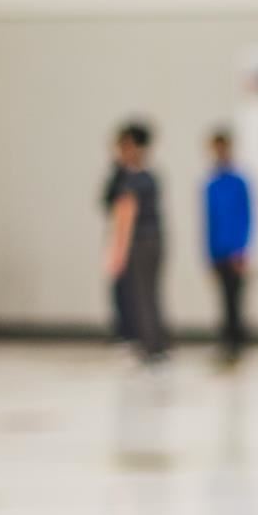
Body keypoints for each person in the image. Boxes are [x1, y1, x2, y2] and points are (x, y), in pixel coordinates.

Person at [103, 121, 168, 364]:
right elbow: (107, 201)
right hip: (142, 240)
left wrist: (118, 249)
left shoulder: (140, 179)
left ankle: (152, 345)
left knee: (144, 294)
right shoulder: (132, 176)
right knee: (142, 294)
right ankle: (150, 343)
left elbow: (125, 212)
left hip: (143, 240)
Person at [202, 129, 253, 366]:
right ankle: (226, 342)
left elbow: (246, 217)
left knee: (235, 300)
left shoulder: (239, 182)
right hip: (218, 251)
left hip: (235, 252)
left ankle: (237, 342)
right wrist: (209, 253)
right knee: (223, 299)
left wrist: (241, 249)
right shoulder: (210, 183)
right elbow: (209, 221)